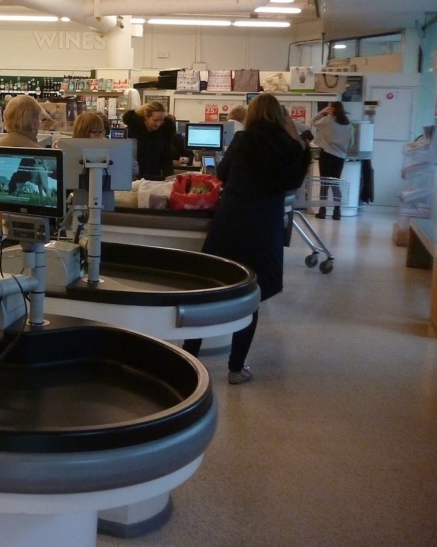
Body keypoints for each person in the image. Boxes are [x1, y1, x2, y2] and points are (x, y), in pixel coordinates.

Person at [183, 93, 311, 384]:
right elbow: (293, 181)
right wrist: (296, 139)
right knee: (250, 297)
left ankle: (189, 360)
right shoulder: (289, 145)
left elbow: (223, 173)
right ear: (280, 116)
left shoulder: (243, 139)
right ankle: (236, 368)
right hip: (263, 227)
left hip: (231, 221)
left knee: (207, 292)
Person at [0, 94, 44, 224]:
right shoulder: (43, 156)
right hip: (32, 230)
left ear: (6, 118)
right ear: (34, 123)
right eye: (39, 118)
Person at [311, 101, 353, 219]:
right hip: (340, 157)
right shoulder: (349, 124)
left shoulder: (329, 120)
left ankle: (322, 210)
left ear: (332, 110)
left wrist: (322, 112)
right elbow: (351, 143)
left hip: (327, 155)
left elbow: (313, 121)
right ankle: (337, 211)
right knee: (335, 184)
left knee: (324, 183)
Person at [121, 101, 175, 179]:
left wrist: (170, 179)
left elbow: (167, 159)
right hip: (133, 178)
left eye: (161, 120)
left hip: (155, 177)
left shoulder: (164, 132)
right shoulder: (131, 132)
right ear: (146, 117)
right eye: (155, 120)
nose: (159, 123)